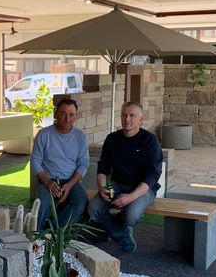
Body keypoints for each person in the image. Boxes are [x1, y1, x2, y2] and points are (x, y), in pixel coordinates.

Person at [88, 102, 162, 253]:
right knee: (93, 209)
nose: (127, 119)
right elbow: (103, 168)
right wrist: (102, 187)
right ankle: (122, 234)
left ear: (141, 120)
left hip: (143, 188)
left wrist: (131, 197)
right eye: (124, 115)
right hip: (117, 184)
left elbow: (152, 175)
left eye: (132, 115)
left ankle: (119, 225)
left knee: (131, 216)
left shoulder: (150, 140)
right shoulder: (112, 139)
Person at [31, 98, 90, 229]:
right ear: (56, 114)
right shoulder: (44, 134)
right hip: (48, 180)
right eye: (63, 114)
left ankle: (52, 231)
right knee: (43, 204)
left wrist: (69, 185)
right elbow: (35, 160)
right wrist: (47, 182)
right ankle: (36, 235)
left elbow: (84, 163)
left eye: (71, 115)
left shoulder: (80, 137)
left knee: (81, 202)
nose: (67, 119)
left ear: (75, 116)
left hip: (71, 181)